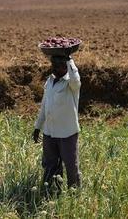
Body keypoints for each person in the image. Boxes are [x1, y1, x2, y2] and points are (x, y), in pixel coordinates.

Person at [33, 55, 81, 190]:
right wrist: (38, 127)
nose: (54, 69)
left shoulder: (71, 84)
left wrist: (69, 59)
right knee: (50, 164)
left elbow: (75, 78)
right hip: (49, 132)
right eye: (53, 65)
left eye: (57, 66)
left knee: (71, 165)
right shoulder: (50, 81)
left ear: (65, 67)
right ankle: (52, 190)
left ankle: (74, 193)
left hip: (67, 133)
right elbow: (44, 106)